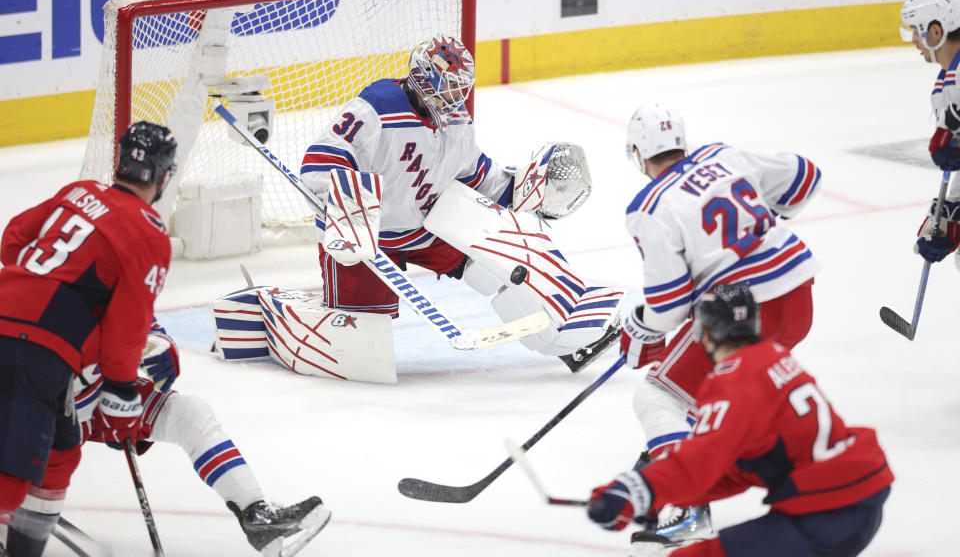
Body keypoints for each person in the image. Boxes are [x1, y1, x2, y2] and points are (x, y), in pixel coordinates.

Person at [298, 34, 618, 372]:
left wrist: (518, 191)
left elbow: (475, 171)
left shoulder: (456, 120)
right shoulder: (378, 105)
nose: (457, 95)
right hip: (368, 237)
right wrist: (348, 214)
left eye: (460, 87)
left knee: (503, 265)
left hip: (426, 230)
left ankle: (563, 336)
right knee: (361, 343)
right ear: (426, 79)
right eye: (450, 86)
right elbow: (320, 163)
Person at [615, 103, 822, 542]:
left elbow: (669, 305)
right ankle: (662, 472)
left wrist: (638, 327)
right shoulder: (722, 156)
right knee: (708, 395)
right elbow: (805, 175)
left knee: (660, 398)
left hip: (744, 312)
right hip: (799, 299)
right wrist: (764, 225)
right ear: (681, 142)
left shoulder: (649, 206)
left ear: (638, 154)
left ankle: (687, 508)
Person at [587, 282, 894, 557]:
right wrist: (651, 498)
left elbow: (700, 462)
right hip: (858, 499)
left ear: (704, 334)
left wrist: (636, 489)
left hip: (825, 513)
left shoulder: (732, 380)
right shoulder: (773, 356)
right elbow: (741, 470)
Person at [0, 121, 177, 556]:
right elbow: (127, 325)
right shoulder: (149, 234)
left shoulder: (77, 192)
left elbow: (13, 240)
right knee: (9, 480)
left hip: (13, 321)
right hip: (33, 349)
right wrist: (120, 389)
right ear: (164, 176)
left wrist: (45, 292)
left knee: (61, 449)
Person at [8, 320, 329, 557]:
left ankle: (258, 518)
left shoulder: (104, 276)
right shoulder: (24, 293)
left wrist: (160, 348)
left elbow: (147, 327)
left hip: (95, 399)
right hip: (31, 414)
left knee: (188, 412)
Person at [899, 0, 960, 264]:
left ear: (936, 31)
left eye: (916, 31)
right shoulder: (946, 84)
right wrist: (951, 209)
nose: (913, 40)